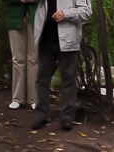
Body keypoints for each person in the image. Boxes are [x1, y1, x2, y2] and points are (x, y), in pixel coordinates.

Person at [30, 0, 92, 131]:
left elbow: (86, 12)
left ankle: (67, 117)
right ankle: (41, 115)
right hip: (45, 38)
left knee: (68, 79)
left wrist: (66, 14)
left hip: (68, 39)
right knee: (42, 79)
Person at [6, 0, 39, 110]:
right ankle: (17, 98)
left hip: (36, 17)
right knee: (18, 59)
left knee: (33, 59)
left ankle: (34, 98)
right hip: (15, 18)